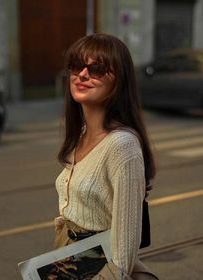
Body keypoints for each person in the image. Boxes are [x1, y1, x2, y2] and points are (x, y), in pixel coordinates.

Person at [54, 33, 158, 279]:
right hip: (71, 260)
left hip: (100, 270)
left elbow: (124, 255)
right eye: (77, 66)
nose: (82, 75)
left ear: (119, 81)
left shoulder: (122, 145)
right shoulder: (80, 134)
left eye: (97, 68)